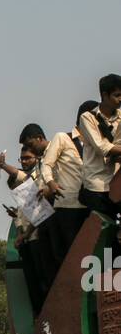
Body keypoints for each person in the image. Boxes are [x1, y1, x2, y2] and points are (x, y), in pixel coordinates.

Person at [38, 103, 96, 268]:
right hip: (68, 206)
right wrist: (51, 182)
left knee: (90, 255)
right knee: (72, 256)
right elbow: (46, 165)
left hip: (90, 205)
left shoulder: (96, 143)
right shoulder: (62, 138)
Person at [77, 76, 121, 223]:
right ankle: (107, 247)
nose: (120, 99)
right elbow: (102, 147)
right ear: (104, 95)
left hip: (116, 182)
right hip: (96, 186)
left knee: (114, 230)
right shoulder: (88, 118)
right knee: (104, 230)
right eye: (117, 95)